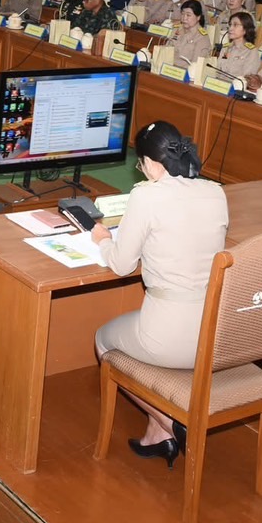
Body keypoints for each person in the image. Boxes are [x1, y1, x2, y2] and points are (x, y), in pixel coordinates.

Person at [90, 121, 229, 464]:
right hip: (216, 332)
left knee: (103, 339)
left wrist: (104, 241)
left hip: (168, 334)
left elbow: (122, 265)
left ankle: (170, 422)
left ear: (151, 163)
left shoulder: (146, 195)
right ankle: (157, 431)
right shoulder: (216, 191)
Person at [213, 12, 262, 82]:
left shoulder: (251, 51)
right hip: (220, 86)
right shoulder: (225, 48)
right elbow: (217, 72)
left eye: (235, 25)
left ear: (245, 29)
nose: (230, 28)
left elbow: (246, 79)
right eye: (230, 25)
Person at [169, 0, 212, 67]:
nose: (184, 18)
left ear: (198, 17)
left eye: (188, 15)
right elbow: (166, 51)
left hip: (184, 73)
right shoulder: (176, 30)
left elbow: (196, 65)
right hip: (168, 69)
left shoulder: (202, 37)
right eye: (182, 14)